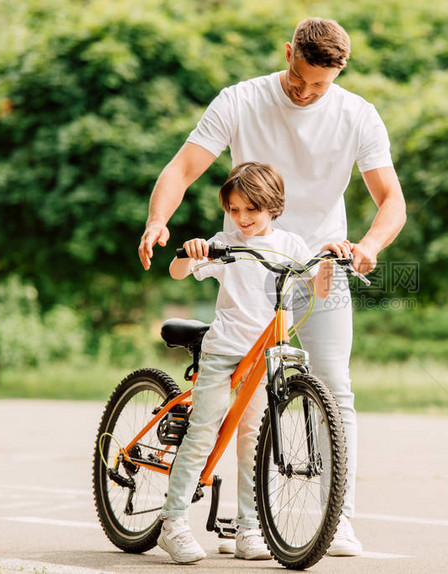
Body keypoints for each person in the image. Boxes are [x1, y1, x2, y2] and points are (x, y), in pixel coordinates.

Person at [139, 17, 406, 556]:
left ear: (340, 71)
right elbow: (182, 169)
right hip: (251, 260)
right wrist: (157, 220)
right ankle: (243, 523)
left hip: (319, 264)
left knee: (332, 385)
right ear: (288, 53)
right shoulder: (240, 100)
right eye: (298, 77)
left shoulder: (357, 115)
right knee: (246, 398)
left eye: (319, 85)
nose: (306, 93)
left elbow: (391, 201)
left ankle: (340, 518)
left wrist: (370, 247)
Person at [158, 161, 347, 563]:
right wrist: (191, 250)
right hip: (225, 351)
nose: (242, 219)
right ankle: (172, 523)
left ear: (273, 207)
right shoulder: (225, 244)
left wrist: (330, 257)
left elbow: (322, 288)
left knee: (250, 444)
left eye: (252, 210)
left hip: (266, 357)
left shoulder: (292, 246)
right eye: (234, 210)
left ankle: (249, 529)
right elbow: (179, 272)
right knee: (204, 431)